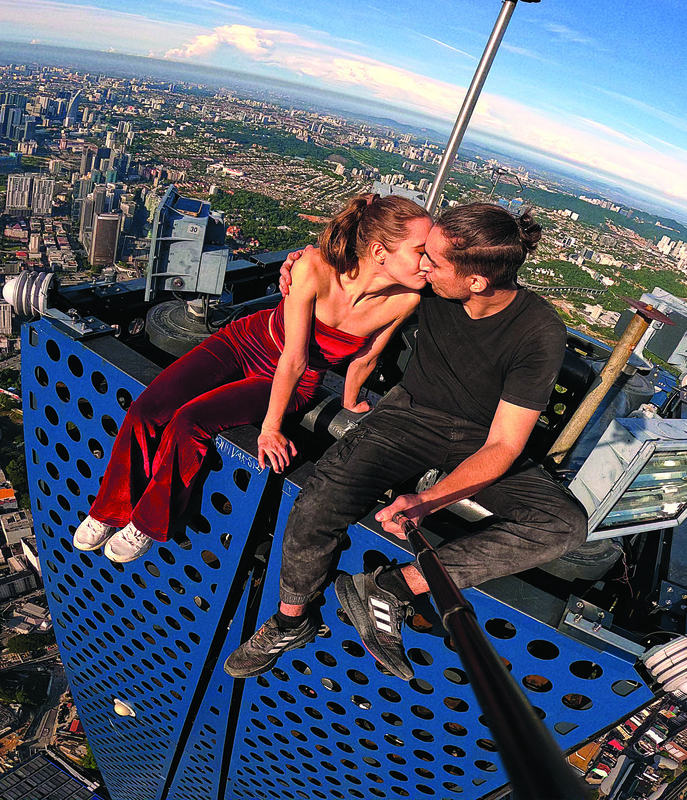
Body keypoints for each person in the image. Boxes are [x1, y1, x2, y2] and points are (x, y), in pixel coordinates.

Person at [225, 203, 588, 680]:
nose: (421, 266)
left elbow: (503, 444)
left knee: (564, 526)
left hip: (480, 441)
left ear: (475, 282)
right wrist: (302, 260)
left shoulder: (538, 332)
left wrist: (429, 501)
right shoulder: (431, 286)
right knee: (319, 502)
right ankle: (291, 620)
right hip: (409, 415)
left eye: (433, 261)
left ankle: (394, 588)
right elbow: (357, 261)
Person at [74, 193, 431, 563]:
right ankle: (108, 509)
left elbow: (366, 356)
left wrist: (349, 401)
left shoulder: (405, 299)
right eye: (421, 250)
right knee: (146, 410)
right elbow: (294, 353)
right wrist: (271, 428)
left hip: (295, 381)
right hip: (245, 342)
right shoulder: (314, 266)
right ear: (378, 251)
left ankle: (149, 522)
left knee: (189, 422)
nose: (428, 262)